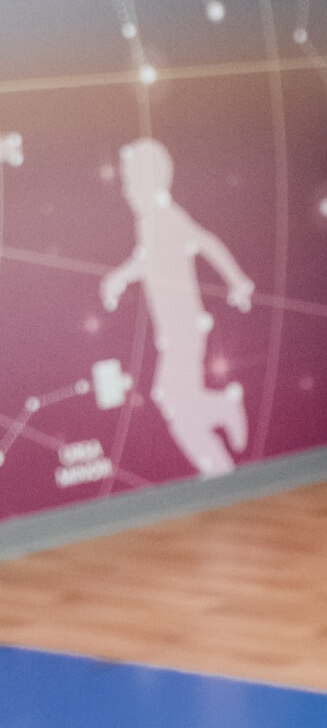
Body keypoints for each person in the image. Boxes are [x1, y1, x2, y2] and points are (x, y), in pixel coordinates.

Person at [100, 138, 253, 479]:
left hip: (183, 330)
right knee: (173, 400)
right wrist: (120, 278)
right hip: (176, 332)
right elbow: (146, 260)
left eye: (130, 183)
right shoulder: (151, 222)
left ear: (148, 182)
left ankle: (223, 417)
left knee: (173, 399)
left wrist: (237, 281)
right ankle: (219, 466)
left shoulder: (166, 217)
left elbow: (207, 242)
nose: (126, 192)